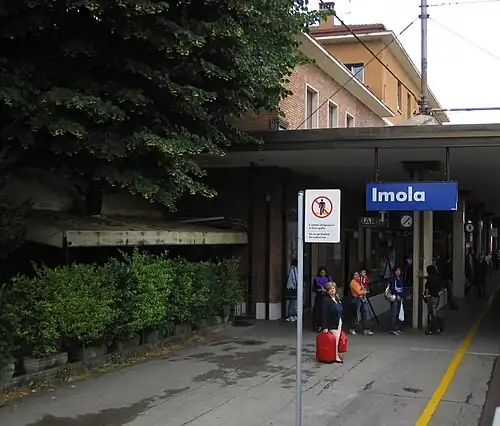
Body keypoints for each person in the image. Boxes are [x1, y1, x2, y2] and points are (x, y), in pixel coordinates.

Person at [321, 282, 344, 363]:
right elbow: (324, 314)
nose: (332, 290)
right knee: (335, 340)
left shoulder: (337, 298)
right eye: (330, 289)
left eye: (333, 288)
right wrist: (325, 327)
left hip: (338, 321)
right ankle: (336, 356)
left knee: (337, 339)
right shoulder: (326, 300)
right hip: (332, 323)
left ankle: (334, 354)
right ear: (327, 291)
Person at [349, 272, 373, 336]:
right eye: (355, 275)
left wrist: (364, 290)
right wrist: (364, 291)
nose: (357, 276)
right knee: (356, 314)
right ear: (353, 276)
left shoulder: (359, 282)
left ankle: (366, 329)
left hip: (362, 299)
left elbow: (364, 288)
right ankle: (352, 328)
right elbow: (359, 292)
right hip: (356, 299)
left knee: (365, 313)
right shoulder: (353, 282)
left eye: (358, 275)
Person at [423, 264, 444, 335]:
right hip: (437, 297)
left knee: (431, 314)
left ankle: (432, 329)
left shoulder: (429, 280)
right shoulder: (437, 277)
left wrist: (426, 297)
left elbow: (427, 289)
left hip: (431, 297)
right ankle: (438, 328)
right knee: (435, 313)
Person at [312, 266, 332, 332]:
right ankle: (319, 326)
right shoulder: (316, 279)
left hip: (327, 297)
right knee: (318, 312)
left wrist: (327, 290)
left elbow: (332, 287)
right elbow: (313, 289)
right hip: (319, 298)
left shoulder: (328, 279)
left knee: (326, 311)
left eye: (324, 272)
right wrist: (319, 290)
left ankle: (326, 326)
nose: (322, 273)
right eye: (321, 272)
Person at [388, 267, 404, 335]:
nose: (398, 272)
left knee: (398, 313)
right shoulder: (393, 279)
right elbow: (393, 288)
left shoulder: (400, 279)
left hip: (400, 297)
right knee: (394, 313)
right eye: (397, 271)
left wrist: (402, 296)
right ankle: (393, 329)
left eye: (399, 270)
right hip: (395, 298)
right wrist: (396, 294)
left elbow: (401, 288)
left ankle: (397, 328)